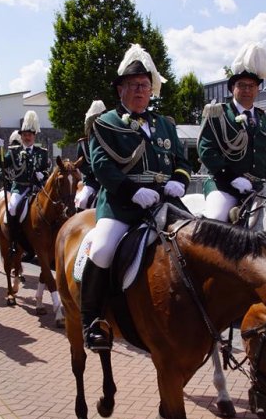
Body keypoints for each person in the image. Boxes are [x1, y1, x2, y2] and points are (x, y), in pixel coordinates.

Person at [82, 43, 192, 351]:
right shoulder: (105, 124)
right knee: (102, 249)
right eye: (132, 86)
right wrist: (132, 190)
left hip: (164, 203)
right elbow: (101, 167)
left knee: (198, 239)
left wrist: (179, 182)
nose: (139, 91)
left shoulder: (165, 125)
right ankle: (91, 321)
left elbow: (183, 161)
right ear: (120, 90)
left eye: (144, 85)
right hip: (120, 206)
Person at [198, 42, 266, 222]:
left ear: (258, 89)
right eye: (241, 85)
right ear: (232, 88)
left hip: (258, 189)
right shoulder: (217, 113)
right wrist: (232, 178)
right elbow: (206, 150)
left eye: (251, 86)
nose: (246, 90)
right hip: (223, 186)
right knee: (215, 218)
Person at [0, 110, 50, 254]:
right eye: (25, 135)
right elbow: (3, 164)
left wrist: (43, 174)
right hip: (20, 189)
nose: (27, 137)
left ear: (34, 136)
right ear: (21, 137)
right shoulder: (14, 151)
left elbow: (47, 169)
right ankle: (14, 241)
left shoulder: (42, 152)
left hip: (38, 188)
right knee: (12, 208)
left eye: (30, 135)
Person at [74, 100, 105, 211]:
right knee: (82, 200)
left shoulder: (110, 141)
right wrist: (95, 170)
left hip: (108, 181)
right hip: (92, 182)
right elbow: (81, 165)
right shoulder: (83, 144)